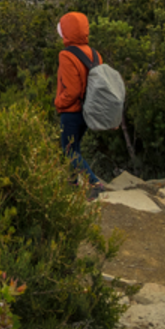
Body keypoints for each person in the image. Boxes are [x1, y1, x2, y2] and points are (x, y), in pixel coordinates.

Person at [55, 11, 105, 196]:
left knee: (68, 150)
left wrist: (59, 102)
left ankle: (94, 183)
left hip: (71, 111)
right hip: (88, 110)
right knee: (74, 147)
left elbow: (72, 90)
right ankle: (72, 184)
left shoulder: (66, 55)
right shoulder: (94, 54)